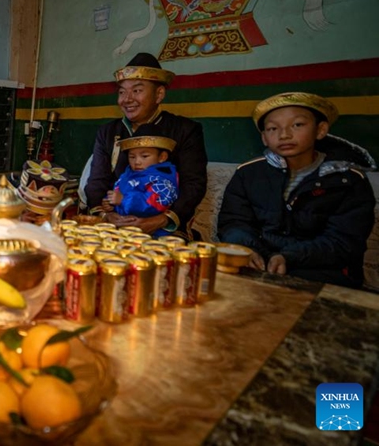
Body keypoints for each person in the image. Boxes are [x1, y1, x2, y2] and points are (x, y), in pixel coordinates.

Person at [218, 92, 376, 289]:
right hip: (258, 262)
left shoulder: (347, 178)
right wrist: (247, 249)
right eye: (273, 128)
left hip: (323, 270)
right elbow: (233, 222)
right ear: (264, 138)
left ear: (321, 130)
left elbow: (344, 241)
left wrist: (288, 257)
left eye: (297, 125)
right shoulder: (248, 174)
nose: (284, 134)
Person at [84, 52, 208, 238]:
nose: (126, 99)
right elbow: (96, 182)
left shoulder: (185, 130)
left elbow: (193, 185)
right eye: (122, 92)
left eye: (137, 90)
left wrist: (161, 220)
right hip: (113, 221)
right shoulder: (108, 132)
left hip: (161, 226)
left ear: (159, 94)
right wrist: (106, 215)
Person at [104, 133, 178, 237]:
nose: (137, 162)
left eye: (144, 156)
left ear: (162, 157)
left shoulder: (163, 180)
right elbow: (118, 191)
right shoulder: (128, 174)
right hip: (124, 230)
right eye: (132, 157)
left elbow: (153, 205)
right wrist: (110, 203)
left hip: (152, 235)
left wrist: (123, 200)